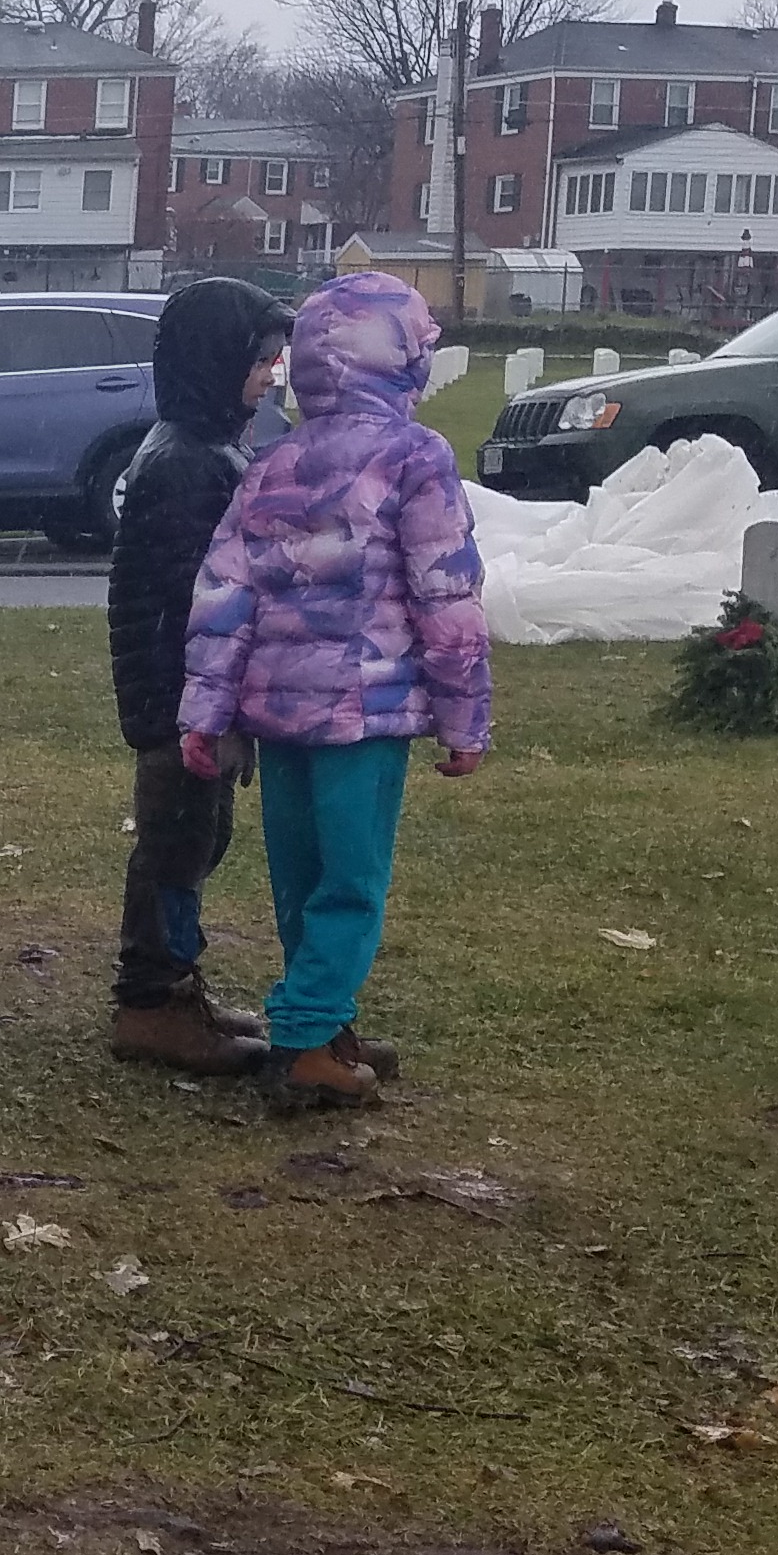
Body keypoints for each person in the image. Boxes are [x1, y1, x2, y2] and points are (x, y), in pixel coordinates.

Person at [170, 270, 487, 1116]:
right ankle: (308, 1036)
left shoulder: (273, 461)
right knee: (352, 876)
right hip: (366, 714)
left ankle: (323, 1020)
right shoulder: (417, 459)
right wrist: (465, 715)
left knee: (302, 873)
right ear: (407, 360)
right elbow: (445, 593)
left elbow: (223, 595)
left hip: (279, 716)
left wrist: (205, 711)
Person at [102, 279, 295, 1078]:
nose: (270, 373)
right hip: (181, 697)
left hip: (195, 696)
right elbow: (196, 597)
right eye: (257, 359)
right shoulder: (184, 463)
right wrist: (201, 707)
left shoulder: (211, 448)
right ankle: (151, 999)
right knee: (176, 844)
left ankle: (177, 981)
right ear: (215, 362)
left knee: (200, 836)